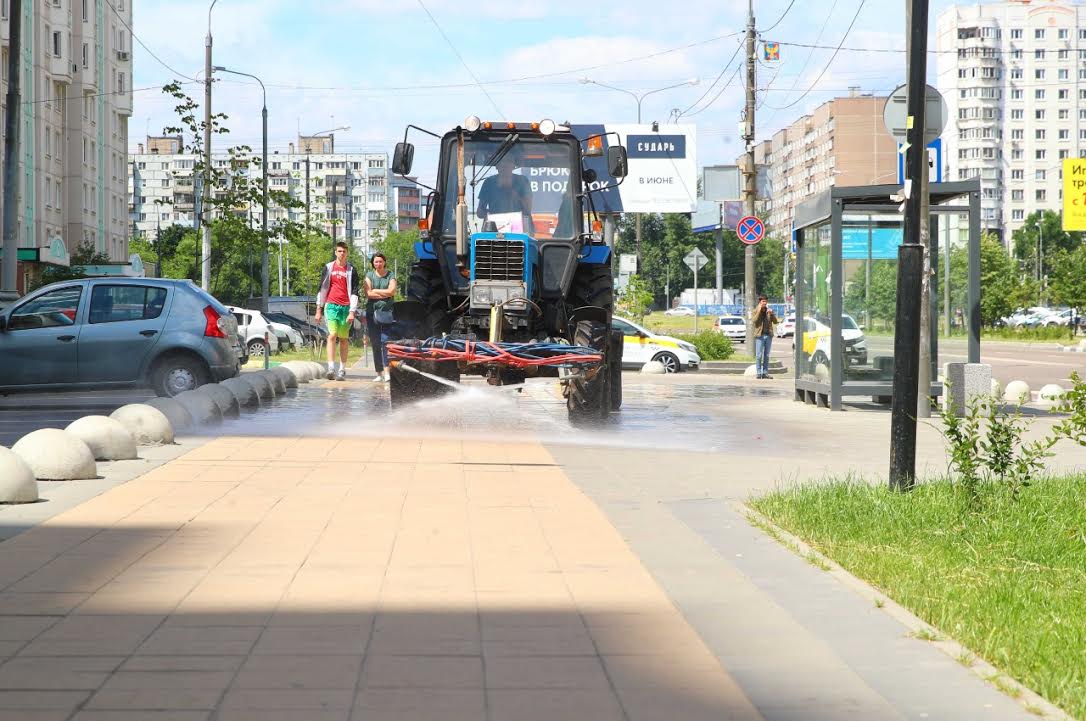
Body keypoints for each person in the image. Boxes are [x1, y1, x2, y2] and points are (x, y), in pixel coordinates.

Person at [314, 242, 359, 381]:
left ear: (347, 253)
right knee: (332, 335)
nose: (342, 253)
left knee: (344, 339)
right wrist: (318, 309)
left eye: (344, 251)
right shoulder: (328, 267)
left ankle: (342, 369)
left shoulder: (351, 270)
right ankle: (331, 368)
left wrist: (352, 311)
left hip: (346, 307)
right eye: (339, 251)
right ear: (335, 252)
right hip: (331, 305)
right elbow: (321, 288)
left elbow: (355, 291)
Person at [365, 253, 397, 383]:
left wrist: (376, 291)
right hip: (372, 313)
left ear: (384, 262)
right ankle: (379, 373)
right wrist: (385, 294)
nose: (378, 264)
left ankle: (387, 371)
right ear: (373, 263)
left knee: (386, 342)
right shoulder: (369, 275)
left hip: (387, 313)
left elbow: (392, 291)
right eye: (376, 262)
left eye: (380, 261)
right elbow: (368, 293)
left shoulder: (390, 275)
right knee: (375, 343)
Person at [477, 154, 532, 220]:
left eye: (508, 161)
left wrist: (516, 197)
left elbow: (527, 210)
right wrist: (494, 216)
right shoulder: (489, 182)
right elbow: (480, 212)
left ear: (514, 165)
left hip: (518, 225)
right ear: (496, 166)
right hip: (495, 225)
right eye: (501, 162)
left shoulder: (522, 181)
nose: (504, 164)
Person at [751, 295, 778, 380]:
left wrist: (772, 314)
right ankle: (759, 373)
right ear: (760, 302)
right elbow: (754, 320)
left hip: (768, 335)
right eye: (763, 301)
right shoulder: (755, 310)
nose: (764, 303)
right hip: (760, 336)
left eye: (765, 301)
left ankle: (765, 373)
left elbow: (775, 322)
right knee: (759, 355)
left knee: (766, 355)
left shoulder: (768, 310)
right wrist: (759, 310)